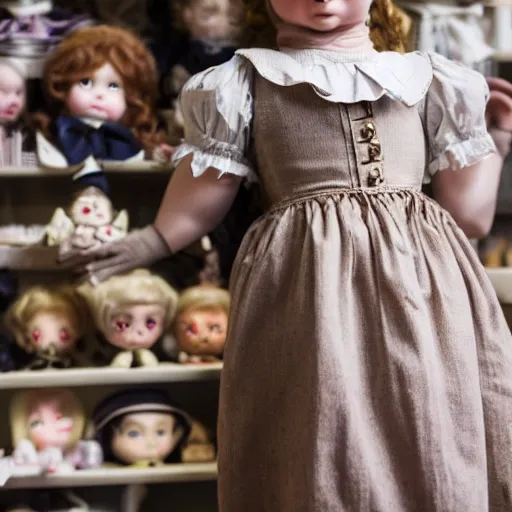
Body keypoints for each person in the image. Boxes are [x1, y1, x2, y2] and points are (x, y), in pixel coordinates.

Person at [60, 0, 512, 510]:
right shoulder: (240, 83)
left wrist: (497, 138)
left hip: (426, 287)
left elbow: (469, 216)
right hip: (308, 285)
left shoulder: (427, 78)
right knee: (321, 428)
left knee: (431, 417)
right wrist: (146, 243)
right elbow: (200, 204)